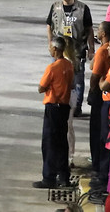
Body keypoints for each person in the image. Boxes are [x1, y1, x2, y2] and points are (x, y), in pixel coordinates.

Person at [38, 39, 74, 188]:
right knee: (61, 143)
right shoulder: (69, 66)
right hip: (64, 107)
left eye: (51, 48)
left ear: (56, 49)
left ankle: (49, 177)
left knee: (49, 143)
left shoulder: (52, 68)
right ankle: (63, 176)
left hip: (53, 107)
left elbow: (41, 87)